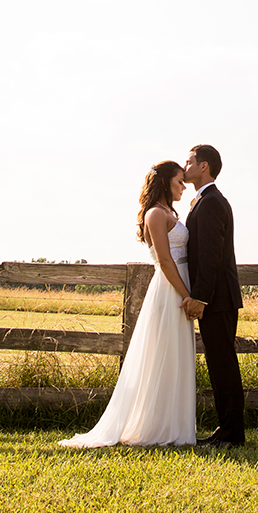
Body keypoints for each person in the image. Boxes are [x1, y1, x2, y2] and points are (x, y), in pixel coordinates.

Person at [59, 160, 196, 447]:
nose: (184, 186)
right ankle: (156, 427)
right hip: (170, 288)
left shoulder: (169, 212)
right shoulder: (156, 215)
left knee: (176, 354)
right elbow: (164, 261)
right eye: (179, 181)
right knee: (163, 354)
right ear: (165, 183)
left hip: (179, 284)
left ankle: (174, 424)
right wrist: (186, 294)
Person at [180, 144, 245, 448]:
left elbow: (212, 257)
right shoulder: (203, 202)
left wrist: (200, 297)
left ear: (203, 166)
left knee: (223, 366)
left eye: (189, 162)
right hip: (215, 299)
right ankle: (227, 429)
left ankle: (233, 433)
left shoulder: (212, 203)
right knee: (219, 365)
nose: (185, 166)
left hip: (217, 300)